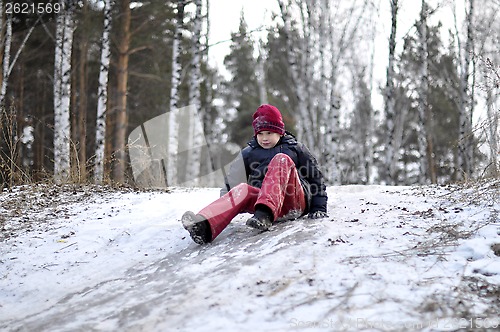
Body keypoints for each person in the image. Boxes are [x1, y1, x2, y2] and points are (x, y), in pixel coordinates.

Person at [181, 104, 328, 244]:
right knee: (243, 189)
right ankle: (204, 227)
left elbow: (315, 177)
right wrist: (225, 211)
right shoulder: (249, 153)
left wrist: (319, 207)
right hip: (261, 204)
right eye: (260, 134)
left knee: (280, 159)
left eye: (269, 133)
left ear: (280, 131)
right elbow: (232, 182)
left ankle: (265, 213)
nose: (264, 138)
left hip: (293, 201)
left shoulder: (295, 148)